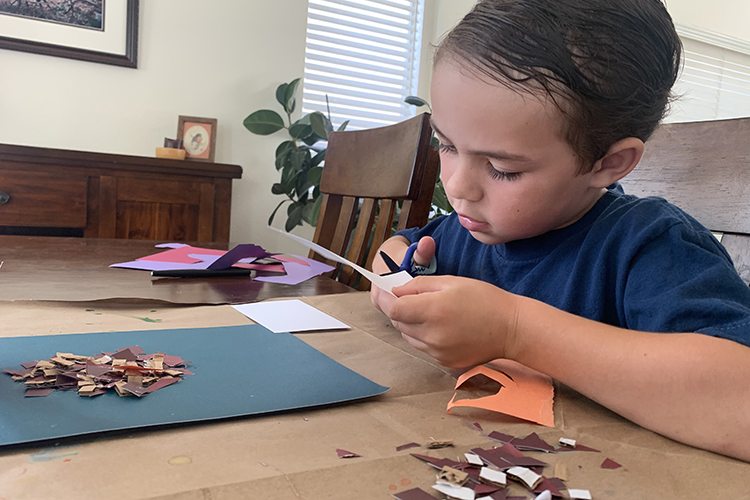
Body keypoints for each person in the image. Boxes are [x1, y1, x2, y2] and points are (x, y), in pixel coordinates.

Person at [370, 0, 750, 462]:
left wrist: (514, 330)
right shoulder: (468, 231)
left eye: (501, 168)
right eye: (445, 145)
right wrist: (393, 275)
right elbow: (409, 243)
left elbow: (738, 402)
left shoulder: (649, 245)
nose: (457, 186)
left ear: (607, 163)